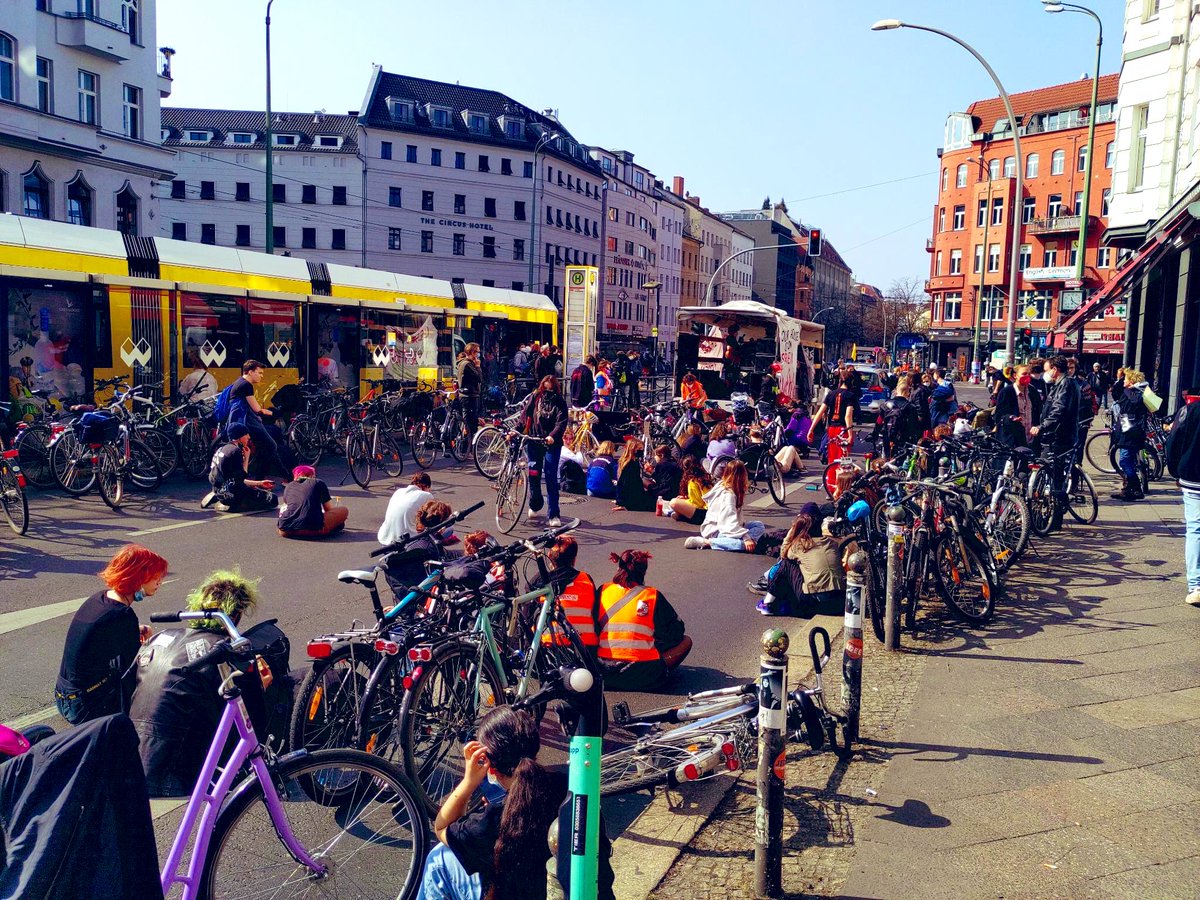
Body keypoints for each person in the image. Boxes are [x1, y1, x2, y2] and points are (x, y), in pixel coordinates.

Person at [421, 705, 616, 900]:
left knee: (439, 860)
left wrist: (468, 781)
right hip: (583, 892)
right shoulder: (571, 787)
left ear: (491, 768)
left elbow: (442, 827)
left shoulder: (494, 819)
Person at [128, 568, 272, 796]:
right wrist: (261, 683)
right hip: (174, 775)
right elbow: (254, 720)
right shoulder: (225, 652)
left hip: (129, 759)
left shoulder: (159, 637)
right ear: (235, 615)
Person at [54, 544, 168, 725]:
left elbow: (98, 637)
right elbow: (134, 669)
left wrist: (133, 631)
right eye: (156, 577)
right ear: (140, 577)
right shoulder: (122, 615)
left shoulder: (100, 599)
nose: (159, 582)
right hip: (85, 703)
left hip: (64, 693)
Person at [596, 550, 692, 691]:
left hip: (605, 673)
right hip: (643, 675)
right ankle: (661, 671)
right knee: (686, 641)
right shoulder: (652, 595)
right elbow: (676, 631)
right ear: (644, 572)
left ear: (619, 568)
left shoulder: (603, 590)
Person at [757, 510, 856, 616]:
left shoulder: (799, 545)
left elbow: (783, 554)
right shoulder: (831, 543)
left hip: (817, 604)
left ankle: (768, 603)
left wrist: (791, 534)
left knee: (787, 564)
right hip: (840, 603)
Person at [1030, 356, 1081, 530]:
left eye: (1046, 369)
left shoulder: (1064, 385)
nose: (1045, 373)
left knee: (1055, 477)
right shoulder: (1070, 382)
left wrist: (1042, 426)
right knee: (1056, 476)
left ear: (1054, 369)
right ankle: (1055, 517)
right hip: (1062, 435)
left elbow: (1058, 410)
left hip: (1058, 437)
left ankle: (1054, 519)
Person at [227, 359, 294, 478]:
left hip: (242, 419)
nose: (261, 376)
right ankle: (284, 477)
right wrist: (272, 413)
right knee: (271, 445)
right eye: (259, 373)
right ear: (250, 372)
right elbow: (257, 408)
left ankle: (271, 477)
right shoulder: (246, 385)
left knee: (265, 448)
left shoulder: (238, 382)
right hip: (248, 421)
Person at [533, 536, 600, 652]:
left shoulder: (540, 582)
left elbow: (528, 613)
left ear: (549, 556)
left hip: (551, 644)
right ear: (574, 559)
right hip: (586, 647)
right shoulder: (586, 580)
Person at [1165, 388, 1200, 606]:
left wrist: (1176, 470)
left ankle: (1196, 584)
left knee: (1195, 528)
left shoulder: (1190, 410)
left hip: (1193, 475)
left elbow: (1173, 441)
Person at [519, 375, 568, 527]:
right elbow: (524, 416)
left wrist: (552, 436)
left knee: (551, 478)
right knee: (533, 474)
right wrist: (516, 430)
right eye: (544, 389)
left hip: (551, 444)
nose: (547, 393)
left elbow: (561, 422)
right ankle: (535, 503)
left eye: (550, 390)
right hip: (534, 441)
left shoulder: (560, 402)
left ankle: (554, 514)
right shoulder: (535, 398)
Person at [684, 459, 765, 552]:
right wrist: (746, 538)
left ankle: (737, 541)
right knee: (740, 545)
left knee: (758, 525)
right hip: (716, 530)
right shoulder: (728, 496)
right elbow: (728, 523)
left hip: (727, 526)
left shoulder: (728, 487)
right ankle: (707, 542)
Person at [201, 423, 277, 512]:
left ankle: (219, 496)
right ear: (239, 437)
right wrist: (246, 458)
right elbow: (241, 478)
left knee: (256, 491)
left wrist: (259, 483)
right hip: (231, 493)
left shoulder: (222, 448)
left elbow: (234, 480)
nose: (248, 437)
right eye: (246, 434)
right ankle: (228, 503)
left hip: (220, 488)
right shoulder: (235, 451)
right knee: (272, 499)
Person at [383, 499, 452, 596]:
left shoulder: (417, 543)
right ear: (443, 525)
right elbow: (448, 558)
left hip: (404, 594)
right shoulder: (432, 548)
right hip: (423, 598)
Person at [277, 465, 348, 538]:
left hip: (284, 529)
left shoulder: (289, 486)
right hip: (312, 528)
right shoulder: (318, 482)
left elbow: (287, 505)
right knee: (343, 510)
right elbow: (328, 509)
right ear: (312, 476)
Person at [1110, 368, 1149, 502]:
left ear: (1131, 381)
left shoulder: (1134, 393)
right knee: (1128, 460)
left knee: (1124, 460)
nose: (1123, 381)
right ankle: (1128, 490)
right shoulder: (1134, 392)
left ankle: (1136, 488)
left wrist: (1128, 389)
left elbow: (1130, 408)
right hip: (1130, 430)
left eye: (1125, 379)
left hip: (1130, 431)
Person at [379, 472, 435, 545]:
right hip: (406, 542)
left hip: (385, 538)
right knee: (447, 531)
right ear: (425, 486)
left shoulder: (398, 491)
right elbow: (433, 519)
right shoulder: (427, 495)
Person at [993, 365, 1041, 448]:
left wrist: (1038, 426)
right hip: (1012, 438)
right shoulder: (1006, 392)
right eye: (1024, 374)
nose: (1027, 376)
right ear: (1015, 375)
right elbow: (999, 415)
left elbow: (1039, 411)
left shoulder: (1032, 391)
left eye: (1029, 374)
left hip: (1031, 438)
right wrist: (1010, 418)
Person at [877, 377, 924, 459]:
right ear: (907, 392)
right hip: (904, 439)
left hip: (887, 437)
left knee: (886, 459)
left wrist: (874, 434)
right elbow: (914, 426)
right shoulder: (910, 407)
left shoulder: (885, 405)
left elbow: (879, 421)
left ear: (896, 391)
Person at [807, 373, 855, 454]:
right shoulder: (850, 396)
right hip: (843, 430)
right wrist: (850, 435)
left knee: (832, 456)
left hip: (831, 429)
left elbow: (820, 412)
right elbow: (848, 416)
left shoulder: (831, 394)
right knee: (843, 457)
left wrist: (811, 429)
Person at [613, 438, 656, 513]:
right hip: (634, 499)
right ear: (633, 449)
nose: (641, 451)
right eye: (639, 449)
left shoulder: (629, 462)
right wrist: (622, 502)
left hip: (633, 496)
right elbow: (624, 484)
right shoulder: (631, 464)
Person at [666, 456, 711, 524]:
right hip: (708, 510)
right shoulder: (702, 478)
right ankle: (682, 515)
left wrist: (685, 501)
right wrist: (686, 498)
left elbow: (698, 503)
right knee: (679, 503)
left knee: (673, 502)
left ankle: (684, 517)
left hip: (704, 512)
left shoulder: (693, 481)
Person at [456, 342, 483, 440]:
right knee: (470, 424)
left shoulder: (465, 363)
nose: (478, 354)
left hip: (468, 396)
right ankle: (466, 448)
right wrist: (478, 366)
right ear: (472, 352)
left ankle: (466, 448)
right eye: (477, 352)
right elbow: (479, 378)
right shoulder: (467, 365)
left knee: (470, 422)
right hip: (469, 397)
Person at [648, 444, 683, 510]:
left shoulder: (660, 464)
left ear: (661, 455)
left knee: (645, 481)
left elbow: (658, 479)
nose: (655, 457)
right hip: (675, 491)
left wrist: (651, 471)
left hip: (664, 491)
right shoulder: (675, 463)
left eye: (656, 455)